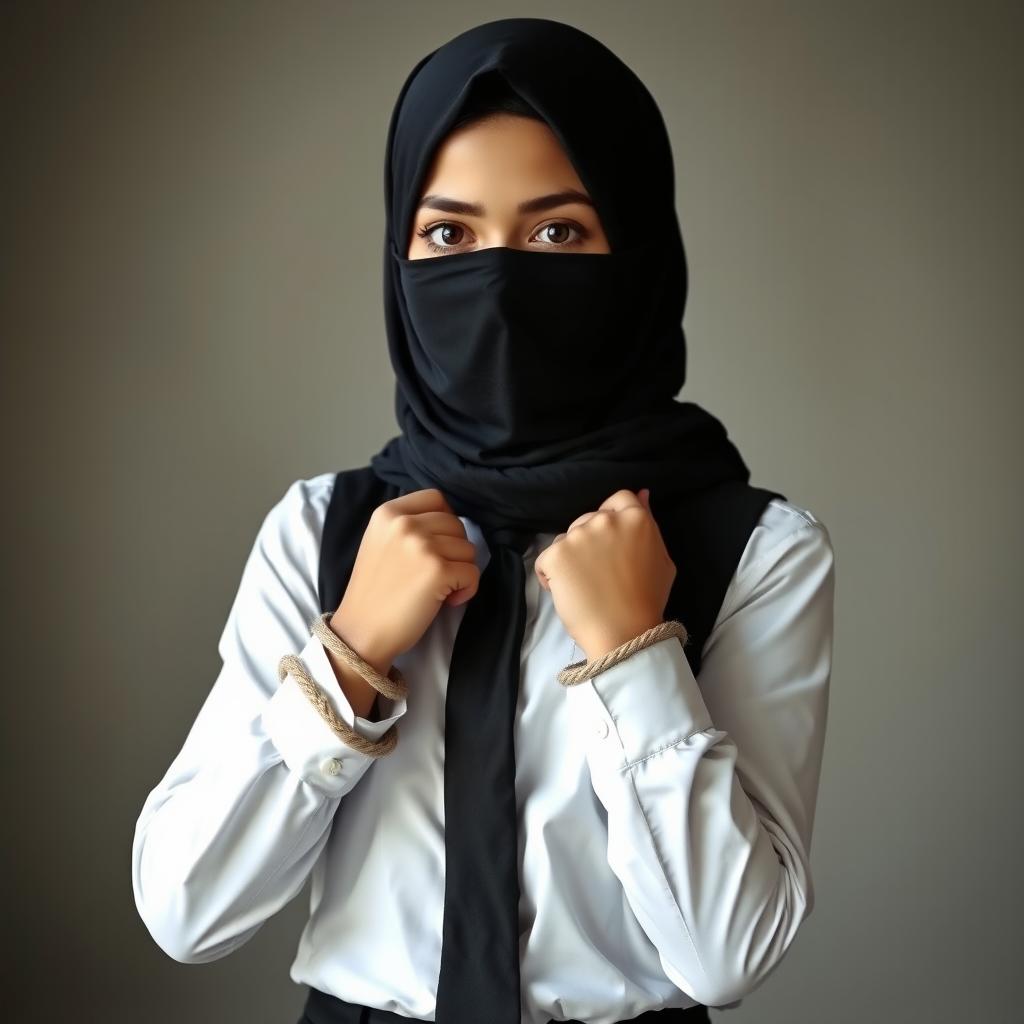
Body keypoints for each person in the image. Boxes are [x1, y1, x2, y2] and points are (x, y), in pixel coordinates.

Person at [131, 17, 835, 1024]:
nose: (500, 285)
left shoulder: (755, 552)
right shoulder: (323, 532)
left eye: (557, 233)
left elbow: (728, 952)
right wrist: (349, 655)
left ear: (632, 255)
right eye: (449, 235)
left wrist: (638, 657)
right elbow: (185, 909)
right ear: (401, 259)